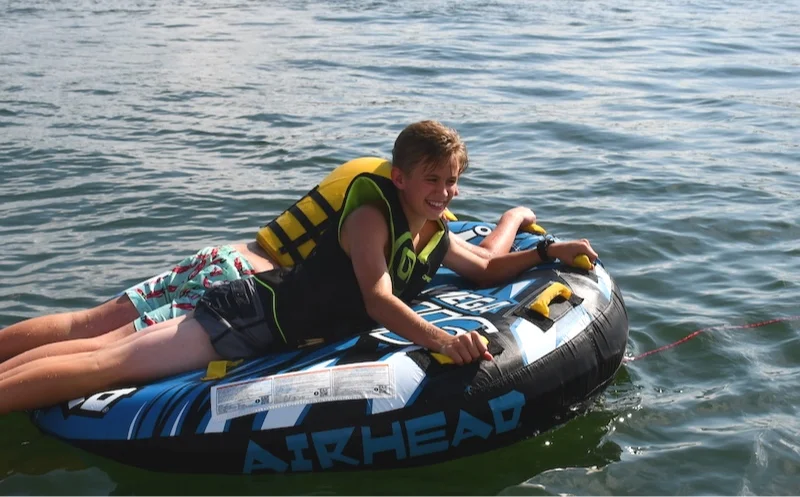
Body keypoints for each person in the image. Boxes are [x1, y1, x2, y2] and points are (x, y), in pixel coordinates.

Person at [0, 120, 597, 414]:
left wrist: (547, 249)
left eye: (452, 182)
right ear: (399, 178)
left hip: (260, 310)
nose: (444, 192)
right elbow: (377, 298)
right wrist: (444, 341)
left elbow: (487, 270)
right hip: (248, 316)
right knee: (104, 362)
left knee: (100, 345)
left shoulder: (431, 231)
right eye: (432, 180)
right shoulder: (371, 212)